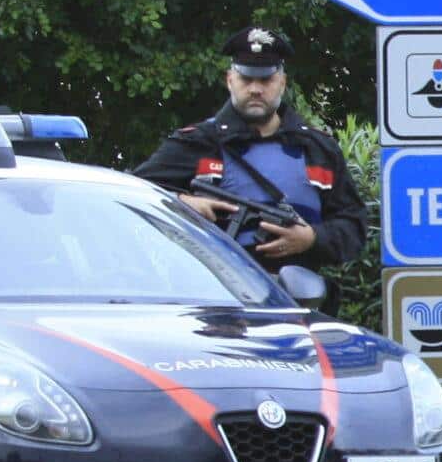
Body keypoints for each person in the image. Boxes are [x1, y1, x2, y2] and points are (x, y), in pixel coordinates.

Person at [134, 27, 368, 282]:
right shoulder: (197, 142)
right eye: (246, 79)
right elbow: (133, 193)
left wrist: (311, 239)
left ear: (282, 83)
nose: (256, 89)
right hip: (214, 298)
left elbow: (354, 228)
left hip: (297, 300)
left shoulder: (318, 149)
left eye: (266, 80)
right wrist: (183, 203)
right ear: (230, 80)